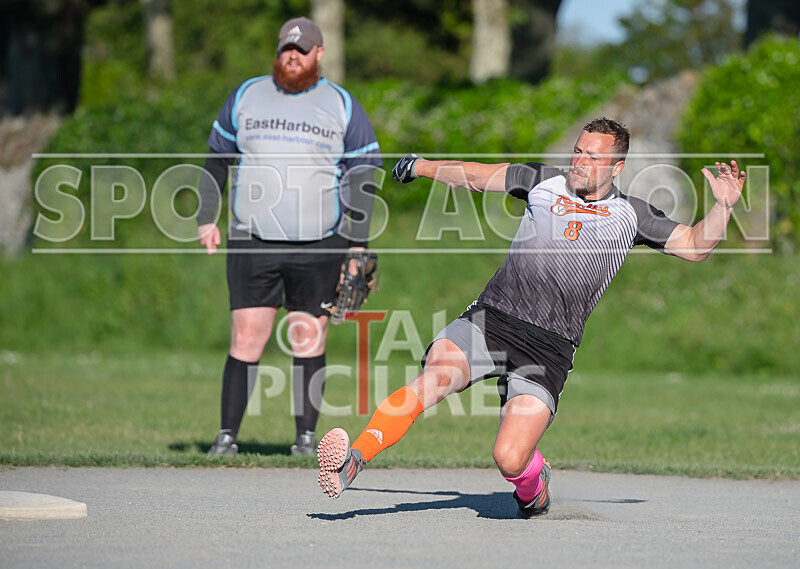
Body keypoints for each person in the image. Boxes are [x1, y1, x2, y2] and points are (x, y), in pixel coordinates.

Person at [317, 118, 746, 516]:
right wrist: (422, 166)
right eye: (578, 151)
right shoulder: (541, 180)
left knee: (509, 457)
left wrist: (723, 207)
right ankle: (353, 461)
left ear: (617, 167)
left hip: (549, 347)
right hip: (492, 319)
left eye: (592, 157)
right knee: (432, 380)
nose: (579, 162)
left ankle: (533, 485)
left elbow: (694, 246)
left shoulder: (632, 215)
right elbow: (476, 175)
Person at [197, 17, 382, 457]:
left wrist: (357, 241)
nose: (292, 56)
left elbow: (364, 173)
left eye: (302, 49)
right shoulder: (246, 95)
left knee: (308, 337)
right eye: (286, 49)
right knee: (246, 337)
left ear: (319, 54)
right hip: (253, 239)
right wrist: (207, 217)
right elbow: (217, 160)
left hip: (320, 242)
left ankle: (304, 439)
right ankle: (226, 438)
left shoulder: (340, 104)